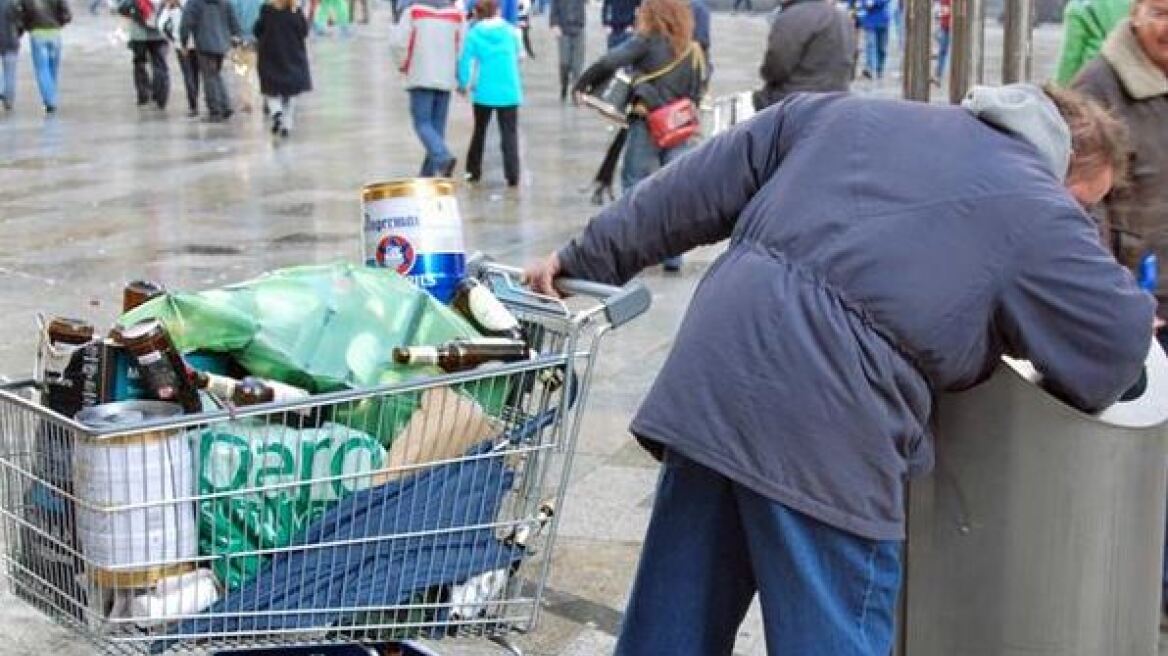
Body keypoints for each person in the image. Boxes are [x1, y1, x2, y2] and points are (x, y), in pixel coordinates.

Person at [524, 84, 1152, 656]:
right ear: (1059, 160)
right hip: (830, 428)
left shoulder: (846, 113)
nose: (1081, 223)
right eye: (1083, 205)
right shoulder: (1038, 206)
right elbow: (1116, 348)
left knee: (672, 630)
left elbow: (691, 188)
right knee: (832, 635)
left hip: (713, 381)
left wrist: (584, 257)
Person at [574, 0, 704, 271]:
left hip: (647, 123)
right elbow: (697, 89)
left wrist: (583, 83)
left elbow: (609, 60)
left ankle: (633, 249)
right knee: (675, 190)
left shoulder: (646, 41)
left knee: (635, 184)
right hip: (679, 127)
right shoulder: (692, 48)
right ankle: (673, 256)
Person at [391, 0, 463, 177]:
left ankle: (443, 157)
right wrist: (457, 72)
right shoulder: (456, 15)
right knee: (437, 128)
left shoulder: (413, 12)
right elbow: (461, 47)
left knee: (422, 123)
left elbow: (398, 44)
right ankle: (427, 175)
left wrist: (403, 65)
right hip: (445, 76)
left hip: (420, 74)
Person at [458, 0, 524, 186]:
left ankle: (473, 171)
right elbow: (520, 56)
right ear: (498, 11)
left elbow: (465, 62)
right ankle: (513, 174)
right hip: (509, 89)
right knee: (509, 134)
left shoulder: (474, 34)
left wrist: (463, 84)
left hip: (484, 90)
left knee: (479, 131)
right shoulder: (510, 32)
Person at [753, 0, 853, 109]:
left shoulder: (792, 16)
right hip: (838, 99)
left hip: (795, 100)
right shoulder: (844, 18)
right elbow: (851, 68)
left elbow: (776, 67)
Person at [254, 0, 309, 136]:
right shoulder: (295, 11)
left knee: (270, 90)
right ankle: (287, 125)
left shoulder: (267, 10)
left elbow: (257, 30)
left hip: (270, 56)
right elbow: (304, 31)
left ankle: (276, 112)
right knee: (290, 93)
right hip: (292, 57)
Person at [181, 0, 242, 121]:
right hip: (222, 44)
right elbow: (234, 21)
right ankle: (225, 105)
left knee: (209, 77)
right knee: (215, 74)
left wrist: (184, 42)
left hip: (204, 43)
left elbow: (186, 23)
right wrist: (236, 36)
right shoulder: (225, 2)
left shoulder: (194, 3)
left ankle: (215, 110)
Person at [1055, 0, 1129, 85]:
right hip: (1132, 81)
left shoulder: (1079, 6)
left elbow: (1070, 58)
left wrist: (1058, 88)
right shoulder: (1141, 5)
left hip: (1093, 85)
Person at [19, 0, 70, 114]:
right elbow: (67, 15)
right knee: (53, 70)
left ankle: (50, 101)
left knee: (42, 69)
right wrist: (59, 23)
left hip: (37, 34)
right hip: (55, 33)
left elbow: (22, 16)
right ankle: (51, 97)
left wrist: (27, 28)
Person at [121, 0, 171, 109]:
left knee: (139, 63)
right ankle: (161, 97)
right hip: (160, 34)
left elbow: (123, 7)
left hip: (139, 35)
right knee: (160, 65)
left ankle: (143, 95)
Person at [159, 0, 201, 116]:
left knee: (188, 74)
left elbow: (161, 25)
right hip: (198, 43)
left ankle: (193, 105)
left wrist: (172, 39)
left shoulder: (171, 6)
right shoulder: (194, 4)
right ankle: (195, 97)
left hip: (181, 45)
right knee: (195, 73)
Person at [549, 0, 585, 100]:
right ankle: (564, 85)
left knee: (577, 64)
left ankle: (575, 90)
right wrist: (554, 25)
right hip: (563, 30)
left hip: (578, 29)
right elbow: (553, 11)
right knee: (564, 62)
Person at [858, 0, 889, 78]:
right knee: (870, 44)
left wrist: (874, 3)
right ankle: (869, 68)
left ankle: (879, 68)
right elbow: (861, 3)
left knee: (881, 48)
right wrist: (865, 4)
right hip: (869, 20)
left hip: (882, 21)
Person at [0, 0, 20, 111]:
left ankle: (1, 89)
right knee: (10, 73)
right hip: (11, 41)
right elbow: (20, 22)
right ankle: (9, 100)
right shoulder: (13, 3)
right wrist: (18, 34)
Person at [933, 0, 950, 83]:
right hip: (945, 24)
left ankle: (939, 72)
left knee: (943, 50)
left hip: (951, 24)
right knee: (942, 50)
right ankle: (939, 73)